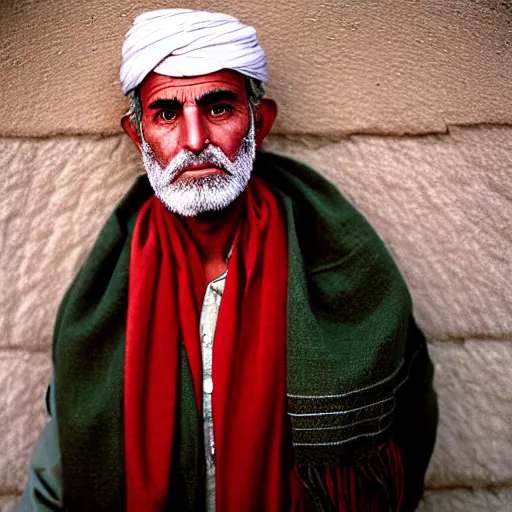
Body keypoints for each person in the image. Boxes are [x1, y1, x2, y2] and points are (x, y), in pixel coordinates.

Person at [20, 8, 437, 512]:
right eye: (167, 114)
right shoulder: (106, 293)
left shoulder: (346, 267)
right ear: (138, 135)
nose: (194, 141)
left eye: (218, 109)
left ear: (258, 123)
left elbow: (406, 433)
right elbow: (54, 479)